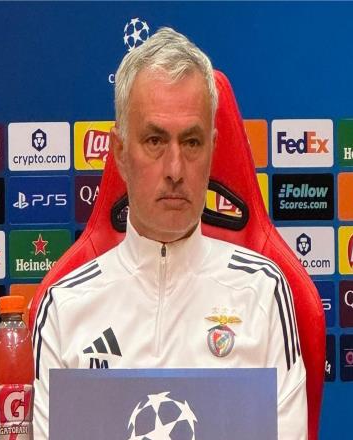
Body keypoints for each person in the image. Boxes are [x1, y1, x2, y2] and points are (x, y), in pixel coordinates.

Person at [33, 27, 307, 439]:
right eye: (155, 141)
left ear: (212, 149)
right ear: (121, 153)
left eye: (192, 142)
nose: (175, 169)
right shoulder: (65, 307)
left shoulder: (263, 293)